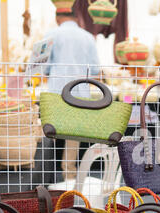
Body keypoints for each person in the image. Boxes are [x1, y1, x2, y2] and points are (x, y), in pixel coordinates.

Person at [44, 8, 101, 180]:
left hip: (56, 91)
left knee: (50, 130)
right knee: (73, 135)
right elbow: (96, 69)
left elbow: (43, 66)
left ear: (57, 18)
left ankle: (47, 174)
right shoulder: (87, 37)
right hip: (80, 91)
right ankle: (68, 173)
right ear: (76, 18)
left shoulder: (51, 34)